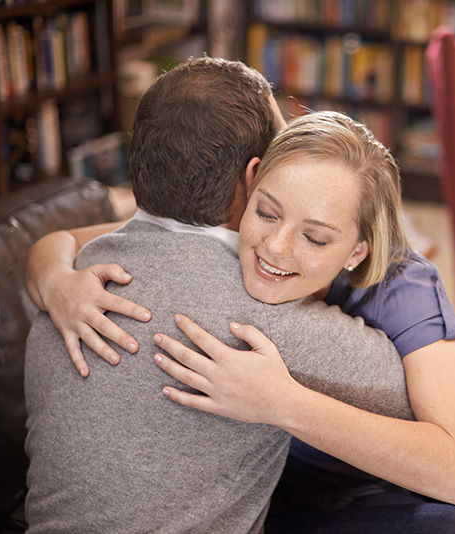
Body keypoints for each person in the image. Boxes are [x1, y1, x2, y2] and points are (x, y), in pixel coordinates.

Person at [28, 109, 455, 532]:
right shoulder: (234, 225)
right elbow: (69, 238)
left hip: (400, 412)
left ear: (356, 250)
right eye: (267, 212)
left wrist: (283, 402)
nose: (277, 248)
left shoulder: (400, 287)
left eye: (315, 238)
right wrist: (56, 278)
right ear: (250, 186)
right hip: (297, 441)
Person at [23, 57, 425, 533]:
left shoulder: (70, 283)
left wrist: (48, 267)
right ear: (256, 176)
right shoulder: (259, 312)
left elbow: (73, 241)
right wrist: (413, 280)